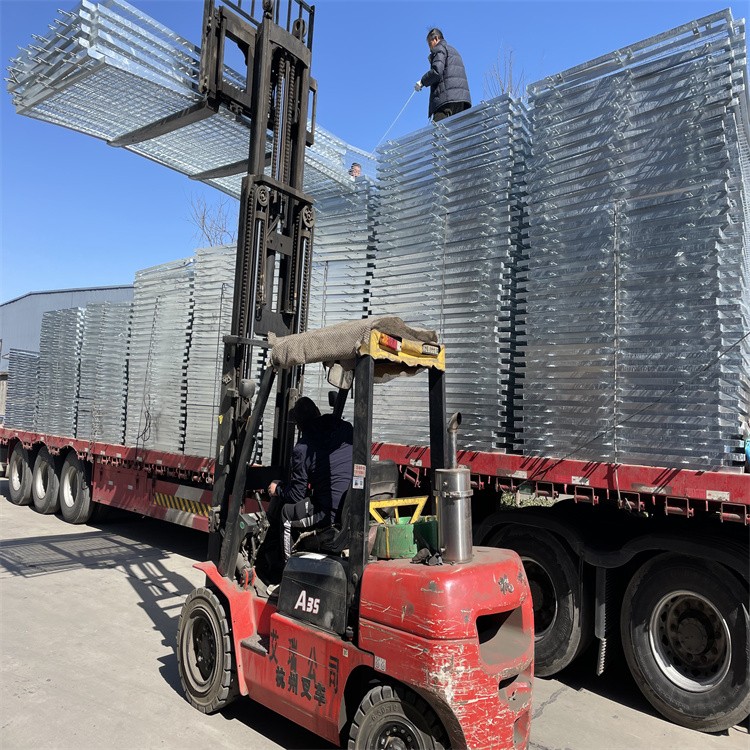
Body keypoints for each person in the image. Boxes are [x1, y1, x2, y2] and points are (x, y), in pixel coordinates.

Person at [267, 397, 353, 560]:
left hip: (329, 512)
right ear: (318, 412)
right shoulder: (346, 429)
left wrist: (277, 489)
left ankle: (287, 566)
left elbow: (296, 496)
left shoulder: (302, 448)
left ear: (298, 425)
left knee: (286, 514)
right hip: (351, 506)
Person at [414, 28, 471, 123]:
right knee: (457, 130)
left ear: (436, 38)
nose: (430, 49)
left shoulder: (439, 48)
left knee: (439, 130)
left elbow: (437, 71)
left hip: (445, 101)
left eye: (430, 44)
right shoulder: (453, 51)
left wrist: (422, 82)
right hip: (461, 101)